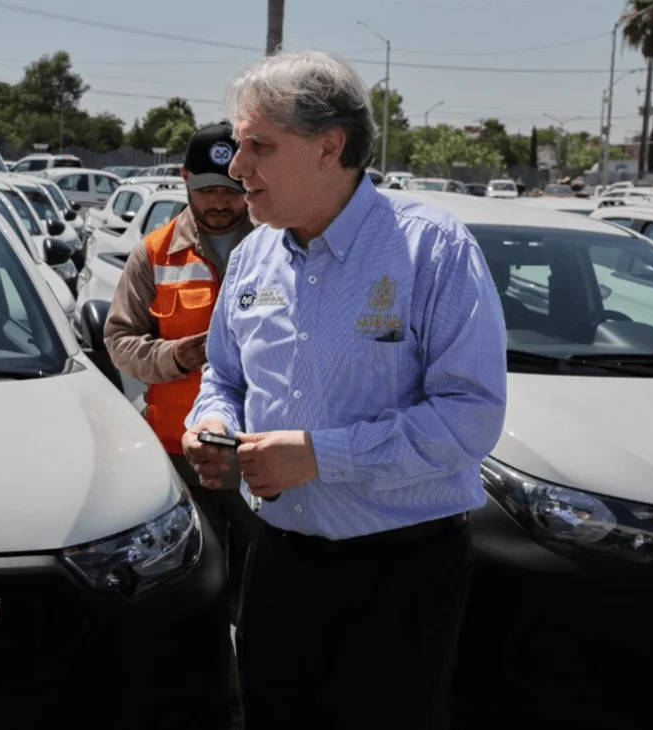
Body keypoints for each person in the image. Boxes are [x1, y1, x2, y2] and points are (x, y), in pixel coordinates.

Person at [181, 51, 507, 729]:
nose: (238, 169)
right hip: (279, 558)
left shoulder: (430, 249)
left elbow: (469, 418)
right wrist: (211, 425)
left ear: (331, 145)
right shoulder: (252, 255)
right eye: (240, 147)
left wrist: (321, 455)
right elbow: (225, 375)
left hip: (402, 570)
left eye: (258, 146)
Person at [102, 121, 257, 726]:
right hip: (178, 458)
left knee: (263, 593)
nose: (220, 202)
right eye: (207, 189)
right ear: (185, 182)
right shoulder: (156, 251)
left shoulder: (277, 244)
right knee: (192, 594)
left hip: (256, 458)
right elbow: (118, 340)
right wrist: (174, 357)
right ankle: (202, 703)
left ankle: (252, 701)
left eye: (232, 188)